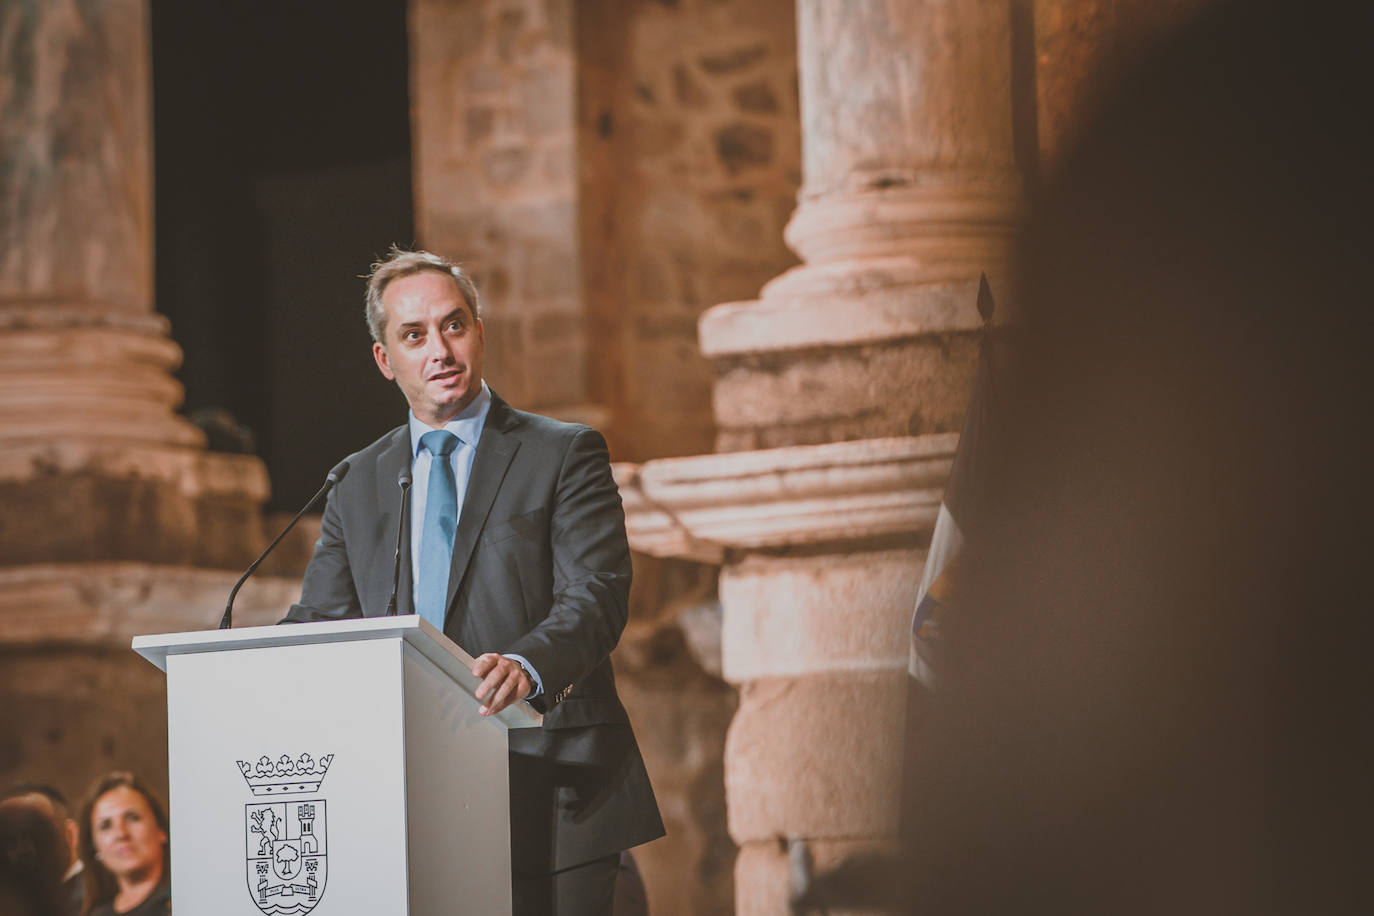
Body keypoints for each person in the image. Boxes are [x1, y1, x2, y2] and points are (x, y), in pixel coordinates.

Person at [284, 247, 664, 915]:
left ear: (480, 332)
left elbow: (597, 594)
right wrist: (241, 669)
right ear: (385, 360)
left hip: (555, 786)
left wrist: (528, 662)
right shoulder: (357, 482)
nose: (440, 349)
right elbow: (320, 622)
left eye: (454, 325)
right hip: (413, 792)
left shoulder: (562, 452)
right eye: (414, 334)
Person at [78, 773, 170, 916]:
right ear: (93, 846)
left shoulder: (187, 901)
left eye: (133, 818)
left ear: (161, 830)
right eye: (105, 826)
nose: (121, 834)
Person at [1, 784, 82, 916]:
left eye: (37, 834)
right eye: (10, 841)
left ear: (71, 834)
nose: (23, 849)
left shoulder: (99, 898)